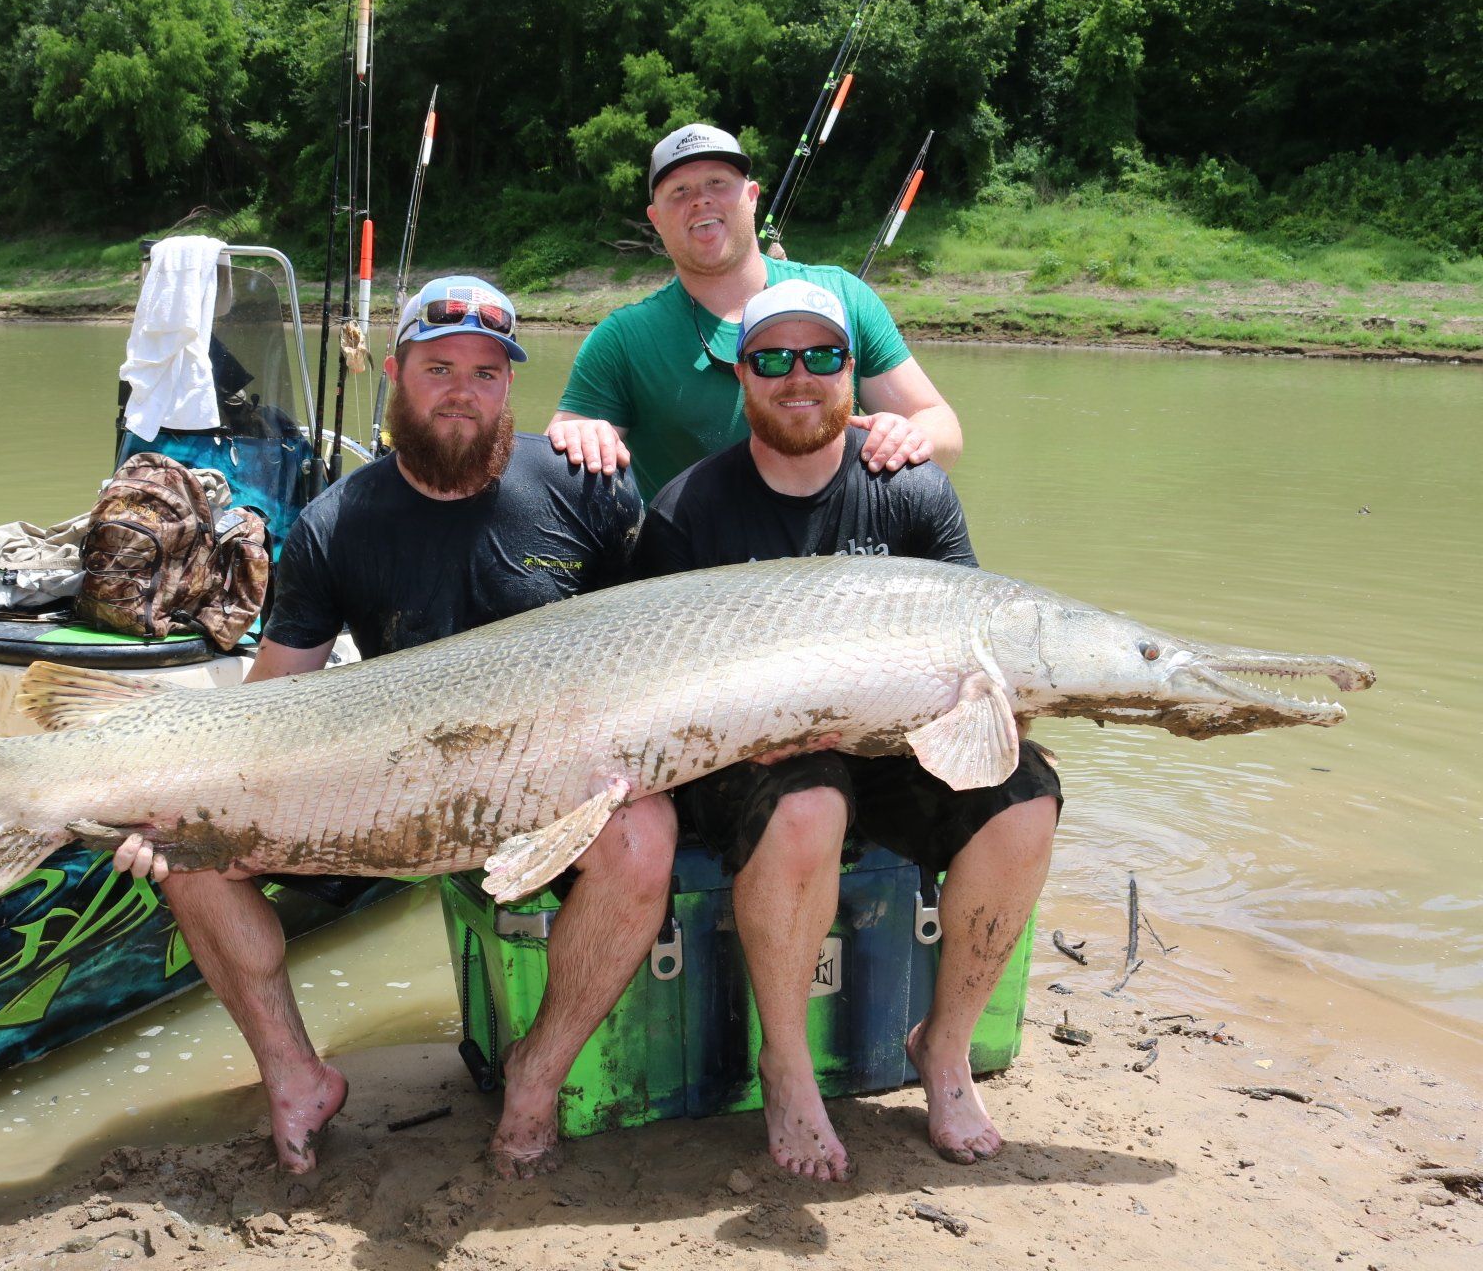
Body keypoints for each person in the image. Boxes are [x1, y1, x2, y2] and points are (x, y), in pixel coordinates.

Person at [113, 275, 676, 1180]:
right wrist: (177, 801)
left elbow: (653, 653)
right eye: (440, 367)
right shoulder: (336, 522)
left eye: (488, 372)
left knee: (647, 835)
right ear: (395, 375)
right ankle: (295, 1075)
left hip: (549, 791)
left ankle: (538, 1074)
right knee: (191, 855)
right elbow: (273, 709)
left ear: (510, 385)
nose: (464, 390)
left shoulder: (587, 488)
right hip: (386, 801)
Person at [635, 280, 1060, 1180]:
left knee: (1027, 795)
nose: (800, 376)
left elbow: (972, 646)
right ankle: (786, 1064)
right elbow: (655, 692)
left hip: (897, 744)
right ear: (741, 378)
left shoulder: (912, 492)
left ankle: (942, 1048)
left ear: (853, 373)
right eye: (774, 359)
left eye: (822, 356)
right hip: (751, 760)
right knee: (808, 803)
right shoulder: (686, 511)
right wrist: (749, 733)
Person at [547, 123, 962, 498]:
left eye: (717, 182)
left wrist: (907, 437)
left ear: (751, 197)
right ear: (655, 219)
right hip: (694, 574)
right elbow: (556, 462)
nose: (700, 200)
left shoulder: (843, 296)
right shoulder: (622, 340)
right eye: (680, 191)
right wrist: (580, 438)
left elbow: (940, 425)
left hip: (837, 566)